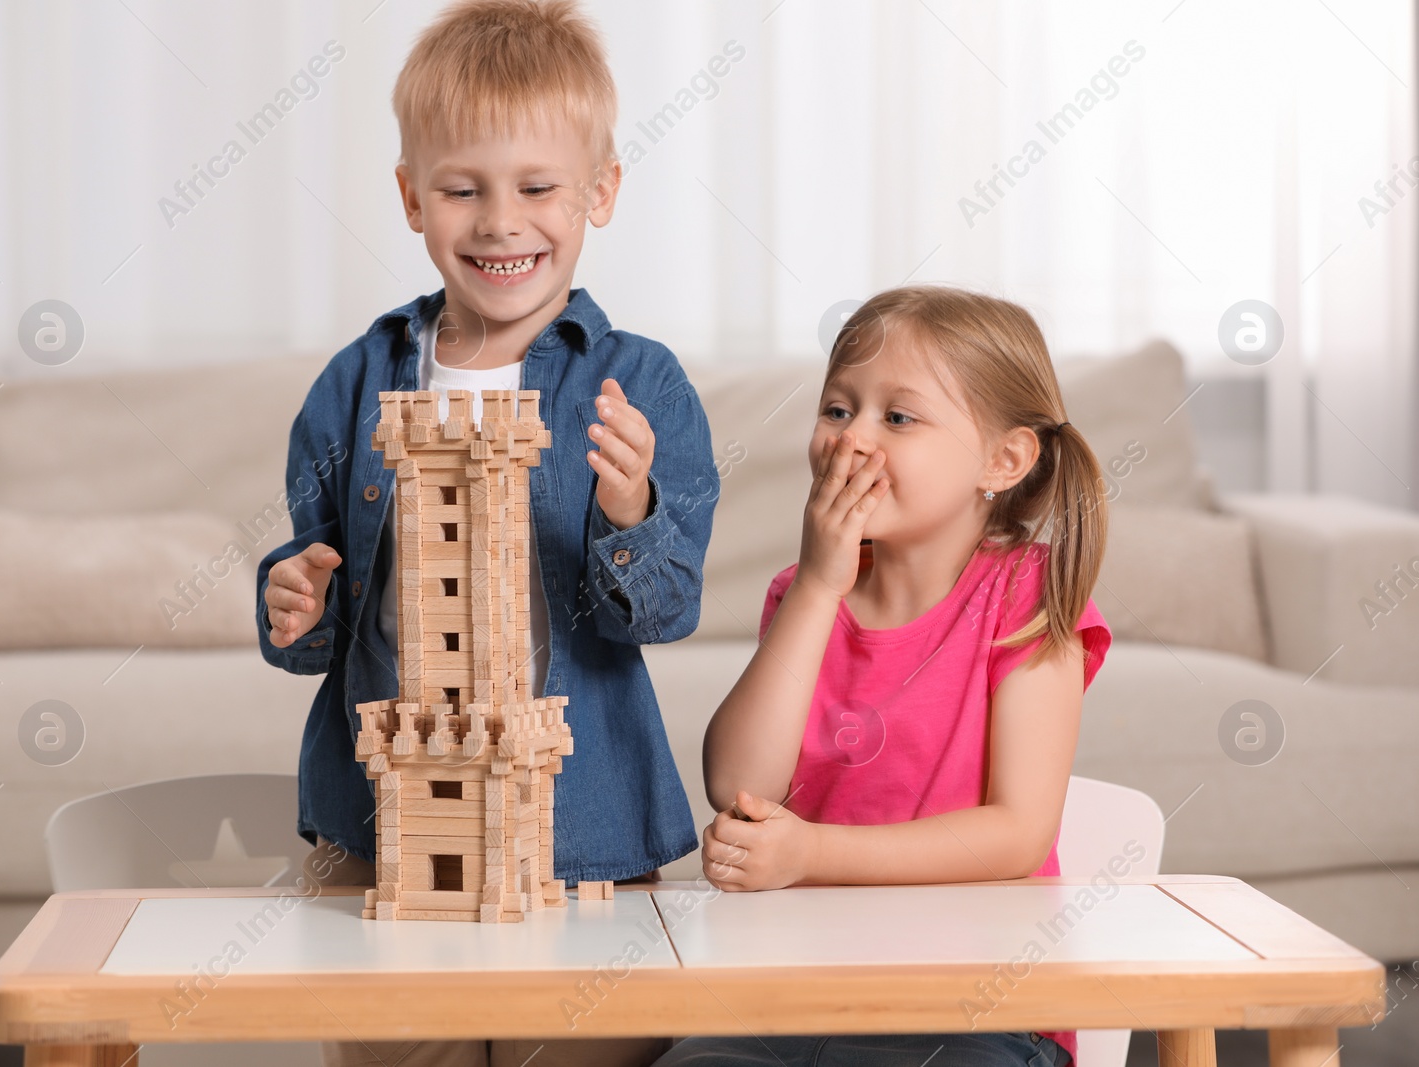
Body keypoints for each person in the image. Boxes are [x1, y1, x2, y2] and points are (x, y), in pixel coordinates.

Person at [255, 2, 716, 1063]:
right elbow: (314, 596)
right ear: (414, 197)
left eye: (538, 187)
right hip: (380, 822)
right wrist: (296, 597)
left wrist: (628, 512)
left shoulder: (635, 384)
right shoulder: (357, 382)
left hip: (586, 822)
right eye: (463, 188)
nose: (501, 221)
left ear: (600, 190)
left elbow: (669, 603)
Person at [663, 287, 1112, 1067]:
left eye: (897, 418)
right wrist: (816, 587)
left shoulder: (1029, 599)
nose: (852, 440)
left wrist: (809, 856)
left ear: (1002, 461)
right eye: (839, 409)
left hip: (979, 1011)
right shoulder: (801, 595)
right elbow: (737, 781)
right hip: (791, 999)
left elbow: (1016, 832)